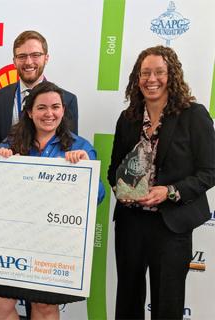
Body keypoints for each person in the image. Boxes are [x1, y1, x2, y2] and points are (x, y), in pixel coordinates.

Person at [107, 45, 215, 319]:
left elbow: (210, 170)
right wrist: (123, 190)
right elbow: (114, 169)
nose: (151, 79)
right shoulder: (128, 118)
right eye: (145, 73)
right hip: (131, 223)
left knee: (167, 304)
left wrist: (170, 191)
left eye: (159, 72)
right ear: (137, 77)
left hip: (171, 225)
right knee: (127, 301)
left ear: (172, 76)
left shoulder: (193, 114)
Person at [0, 81, 105, 320]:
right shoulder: (11, 143)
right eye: (41, 108)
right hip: (10, 238)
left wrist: (83, 172)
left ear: (63, 111)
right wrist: (0, 162)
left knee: (44, 307)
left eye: (55, 107)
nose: (49, 113)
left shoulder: (80, 147)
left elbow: (98, 196)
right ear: (29, 112)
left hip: (52, 242)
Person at [0, 30, 78, 145]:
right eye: (22, 56)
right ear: (14, 61)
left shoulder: (68, 99)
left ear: (46, 58)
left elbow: (70, 146)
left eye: (35, 55)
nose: (28, 62)